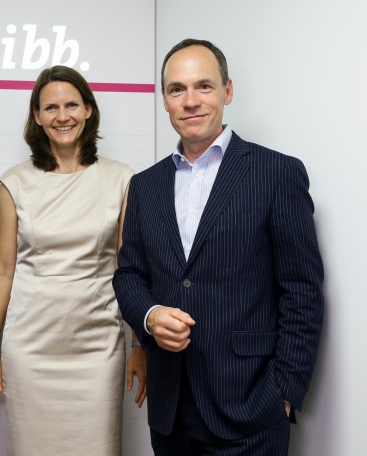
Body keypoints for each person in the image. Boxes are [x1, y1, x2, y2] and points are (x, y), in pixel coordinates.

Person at [113, 38, 324, 455]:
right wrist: (151, 316)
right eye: (177, 90)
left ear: (227, 91)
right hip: (171, 409)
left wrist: (283, 391)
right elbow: (129, 274)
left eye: (203, 87)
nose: (190, 101)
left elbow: (302, 290)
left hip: (251, 409)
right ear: (165, 100)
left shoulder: (277, 172)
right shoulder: (144, 185)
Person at [0, 65, 147, 455]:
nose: (62, 116)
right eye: (51, 107)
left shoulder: (122, 179)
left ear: (89, 109)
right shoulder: (15, 181)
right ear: (36, 116)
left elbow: (133, 269)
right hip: (30, 348)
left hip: (97, 348)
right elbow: (3, 269)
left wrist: (141, 343)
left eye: (72, 104)